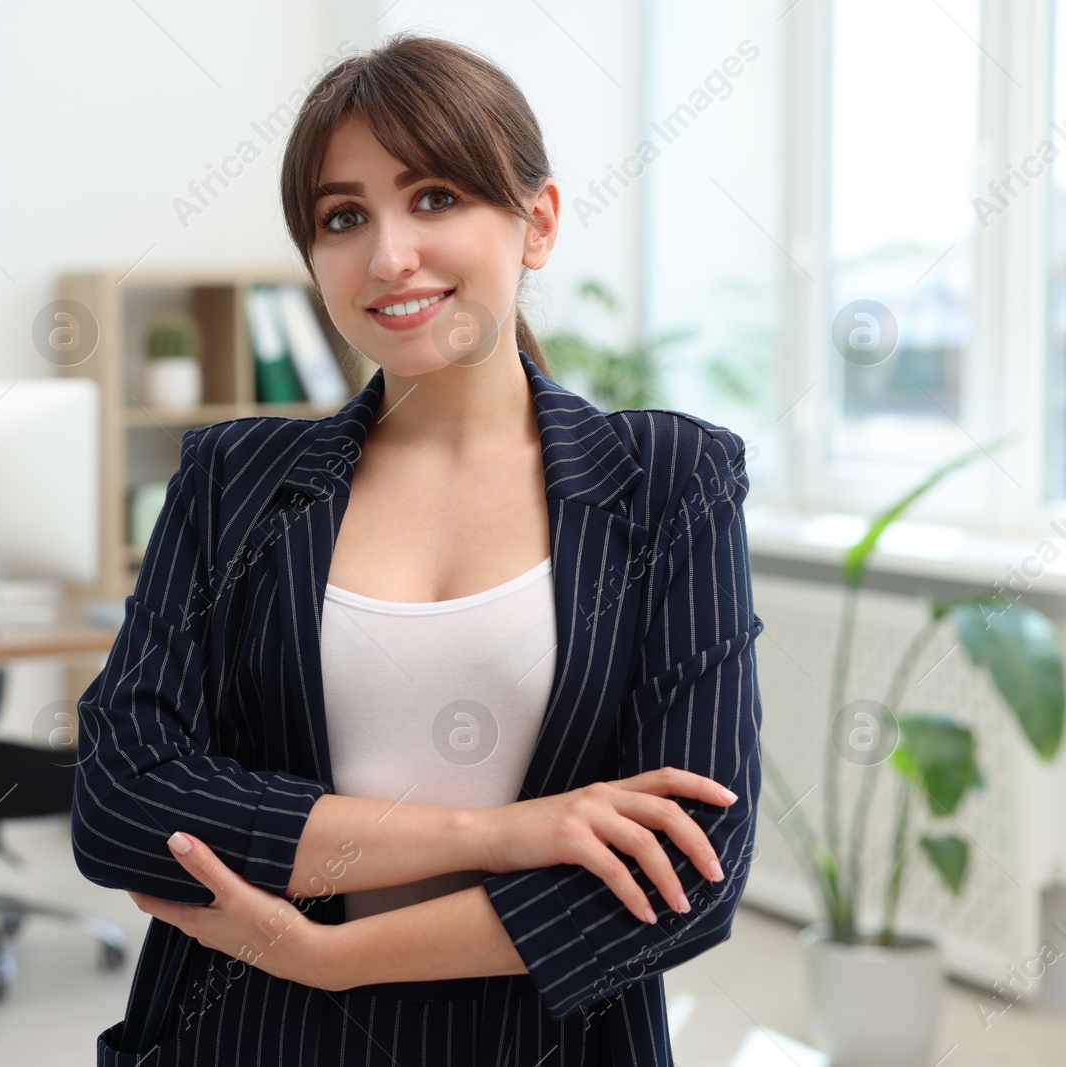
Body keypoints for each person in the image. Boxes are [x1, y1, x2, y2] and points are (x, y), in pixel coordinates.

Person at [72, 33, 764, 1066]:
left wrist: (327, 953)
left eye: (435, 197)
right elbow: (125, 803)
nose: (388, 256)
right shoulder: (233, 481)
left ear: (536, 222)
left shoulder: (670, 478)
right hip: (251, 1039)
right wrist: (499, 832)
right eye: (343, 217)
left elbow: (688, 866)